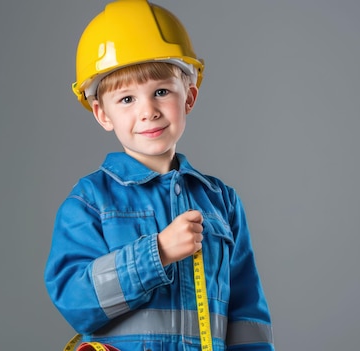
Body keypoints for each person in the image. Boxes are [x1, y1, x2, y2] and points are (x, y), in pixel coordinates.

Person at [44, 1, 274, 350]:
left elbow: (247, 315)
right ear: (101, 113)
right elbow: (75, 300)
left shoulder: (222, 202)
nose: (148, 111)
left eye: (161, 92)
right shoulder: (89, 201)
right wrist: (158, 252)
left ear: (189, 98)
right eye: (126, 99)